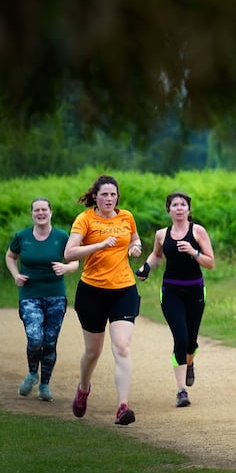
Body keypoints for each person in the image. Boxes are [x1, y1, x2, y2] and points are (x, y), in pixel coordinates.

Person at [64, 174, 143, 426]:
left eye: (113, 194)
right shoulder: (85, 219)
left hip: (124, 289)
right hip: (92, 292)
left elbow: (134, 238)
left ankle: (122, 407)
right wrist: (98, 245)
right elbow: (69, 253)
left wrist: (135, 247)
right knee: (93, 351)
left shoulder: (126, 216)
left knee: (121, 346)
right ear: (95, 196)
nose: (109, 198)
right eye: (104, 194)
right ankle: (84, 388)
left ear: (118, 195)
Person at [135, 191, 215, 408]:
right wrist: (146, 267)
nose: (179, 208)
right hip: (170, 292)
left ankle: (189, 363)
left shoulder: (198, 231)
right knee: (180, 338)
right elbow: (157, 255)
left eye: (183, 205)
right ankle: (181, 390)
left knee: (191, 342)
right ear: (168, 209)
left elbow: (210, 263)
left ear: (189, 209)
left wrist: (193, 252)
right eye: (174, 205)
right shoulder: (162, 234)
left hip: (195, 291)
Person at [6, 197, 79, 402]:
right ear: (32, 214)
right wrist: (15, 275)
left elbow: (75, 262)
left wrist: (65, 267)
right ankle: (32, 373)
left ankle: (45, 384)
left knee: (49, 342)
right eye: (36, 210)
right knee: (35, 338)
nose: (40, 213)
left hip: (56, 295)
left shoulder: (61, 236)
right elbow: (10, 256)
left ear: (50, 212)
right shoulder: (22, 236)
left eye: (44, 209)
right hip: (30, 295)